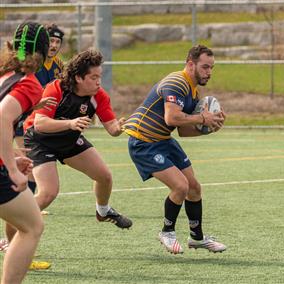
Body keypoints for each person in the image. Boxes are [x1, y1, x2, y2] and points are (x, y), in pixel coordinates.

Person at [124, 45, 226, 254]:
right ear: (191, 64)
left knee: (194, 188)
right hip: (143, 141)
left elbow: (184, 131)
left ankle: (197, 238)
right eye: (205, 67)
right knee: (180, 186)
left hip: (163, 140)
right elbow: (171, 117)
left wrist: (210, 128)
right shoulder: (176, 82)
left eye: (211, 68)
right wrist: (202, 118)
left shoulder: (193, 91)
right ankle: (167, 232)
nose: (209, 72)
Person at [22, 49, 132, 233]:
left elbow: (112, 128)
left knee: (104, 176)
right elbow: (40, 124)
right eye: (93, 77)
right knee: (48, 193)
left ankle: (103, 211)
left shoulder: (99, 96)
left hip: (69, 140)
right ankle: (12, 234)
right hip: (40, 140)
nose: (99, 82)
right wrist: (71, 123)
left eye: (100, 76)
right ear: (79, 78)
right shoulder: (56, 88)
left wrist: (120, 127)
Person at [0, 21, 48, 283]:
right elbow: (1, 119)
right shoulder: (29, 84)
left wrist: (12, 156)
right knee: (31, 227)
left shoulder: (3, 75)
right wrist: (11, 168)